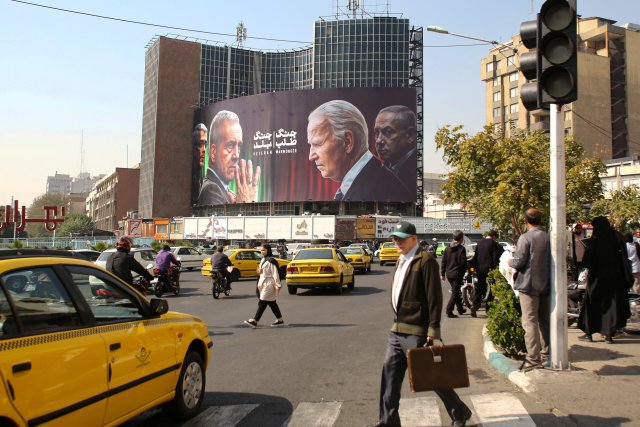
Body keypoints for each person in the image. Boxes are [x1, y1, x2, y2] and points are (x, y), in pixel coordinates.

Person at [372, 221, 472, 427]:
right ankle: (387, 421)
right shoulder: (401, 260)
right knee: (389, 378)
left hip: (416, 331)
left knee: (430, 376)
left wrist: (433, 329)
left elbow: (434, 298)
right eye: (395, 238)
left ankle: (459, 411)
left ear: (413, 239)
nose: (397, 242)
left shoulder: (425, 261)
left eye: (401, 238)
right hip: (397, 329)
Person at [307, 100, 412, 202]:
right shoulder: (372, 179)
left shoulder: (373, 192)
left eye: (317, 144)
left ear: (347, 142)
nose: (311, 156)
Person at [508, 208, 551, 371]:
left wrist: (510, 261)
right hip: (546, 285)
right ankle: (547, 354)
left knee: (530, 322)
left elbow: (518, 262)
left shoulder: (525, 238)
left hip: (528, 285)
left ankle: (533, 359)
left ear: (525, 221)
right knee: (544, 321)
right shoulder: (548, 237)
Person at [578, 217, 632, 344]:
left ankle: (589, 333)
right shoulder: (617, 239)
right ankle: (608, 335)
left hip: (597, 280)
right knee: (611, 308)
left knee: (592, 306)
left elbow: (587, 261)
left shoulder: (594, 241)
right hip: (615, 280)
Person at [198, 110, 261, 205]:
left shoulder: (222, 190)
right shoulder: (211, 190)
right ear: (213, 152)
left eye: (239, 146)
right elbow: (219, 220)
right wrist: (246, 204)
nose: (236, 155)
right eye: (230, 145)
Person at [373, 105, 417, 189]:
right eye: (376, 133)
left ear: (410, 135)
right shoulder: (386, 167)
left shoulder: (413, 175)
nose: (378, 141)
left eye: (388, 132)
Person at [244, 244, 285, 328]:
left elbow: (275, 274)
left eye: (264, 250)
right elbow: (259, 270)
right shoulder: (263, 259)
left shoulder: (272, 261)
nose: (262, 252)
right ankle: (280, 320)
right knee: (272, 303)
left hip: (269, 283)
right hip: (262, 282)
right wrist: (258, 270)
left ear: (268, 250)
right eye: (261, 250)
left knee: (262, 302)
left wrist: (278, 285)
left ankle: (255, 321)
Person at [470, 229, 504, 315]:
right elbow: (495, 258)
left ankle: (474, 305)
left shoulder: (480, 243)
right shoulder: (493, 244)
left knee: (479, 288)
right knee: (493, 288)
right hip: (490, 269)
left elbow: (476, 256)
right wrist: (497, 269)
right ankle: (488, 308)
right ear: (494, 237)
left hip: (479, 269)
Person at [440, 230, 468, 318]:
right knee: (455, 292)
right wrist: (463, 272)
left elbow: (443, 261)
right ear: (461, 238)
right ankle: (449, 310)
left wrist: (442, 273)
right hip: (457, 274)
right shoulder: (461, 249)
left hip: (449, 274)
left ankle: (460, 309)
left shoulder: (447, 248)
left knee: (455, 291)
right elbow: (463, 263)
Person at [192, 123, 208, 206]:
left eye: (205, 144)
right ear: (193, 146)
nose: (204, 149)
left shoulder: (204, 178)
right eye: (200, 144)